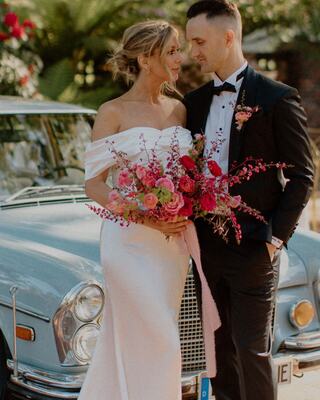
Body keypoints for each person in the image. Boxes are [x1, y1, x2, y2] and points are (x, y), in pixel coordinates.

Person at [184, 1, 314, 399]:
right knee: (218, 353)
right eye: (190, 42)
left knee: (253, 351)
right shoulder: (193, 103)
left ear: (229, 37)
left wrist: (274, 239)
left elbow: (302, 176)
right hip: (205, 248)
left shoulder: (277, 97)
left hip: (255, 247)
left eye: (200, 41)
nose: (193, 52)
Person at [79, 20, 192, 400]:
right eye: (173, 50)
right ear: (146, 58)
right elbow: (93, 184)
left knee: (143, 341)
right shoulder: (112, 111)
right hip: (128, 244)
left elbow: (189, 172)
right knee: (163, 341)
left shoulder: (180, 110)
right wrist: (142, 214)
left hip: (171, 248)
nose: (182, 57)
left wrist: (190, 203)